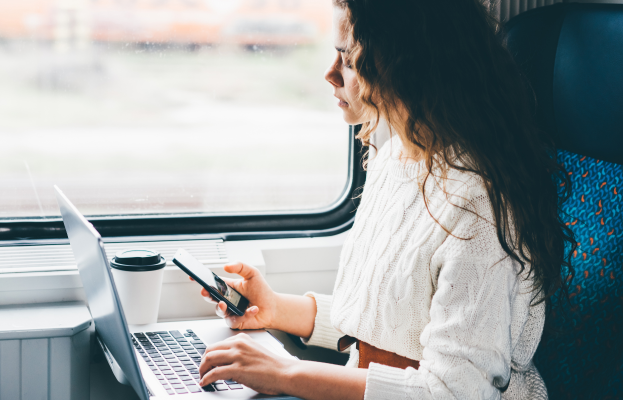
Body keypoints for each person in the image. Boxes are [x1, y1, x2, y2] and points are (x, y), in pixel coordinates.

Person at [195, 0, 575, 399]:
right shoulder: (397, 156)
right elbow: (384, 326)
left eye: (349, 60)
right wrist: (276, 309)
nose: (330, 75)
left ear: (404, 66)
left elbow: (455, 392)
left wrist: (287, 374)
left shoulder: (478, 206)